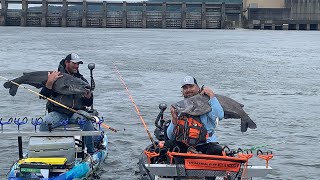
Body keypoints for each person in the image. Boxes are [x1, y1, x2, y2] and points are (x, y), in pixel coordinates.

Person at [39, 53, 95, 154]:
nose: (77, 66)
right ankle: (44, 151)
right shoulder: (55, 76)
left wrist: (88, 97)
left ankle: (91, 153)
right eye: (74, 63)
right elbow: (42, 96)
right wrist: (49, 83)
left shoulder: (82, 81)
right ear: (66, 63)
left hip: (76, 113)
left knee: (87, 120)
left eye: (78, 64)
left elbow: (88, 103)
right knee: (44, 122)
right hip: (58, 113)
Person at [165, 75, 224, 155]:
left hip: (207, 144)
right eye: (185, 88)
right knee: (168, 145)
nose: (188, 90)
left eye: (191, 86)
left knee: (216, 149)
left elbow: (219, 116)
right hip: (185, 145)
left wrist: (212, 96)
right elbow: (170, 136)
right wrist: (174, 120)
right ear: (182, 91)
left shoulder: (208, 102)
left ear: (198, 87)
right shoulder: (180, 106)